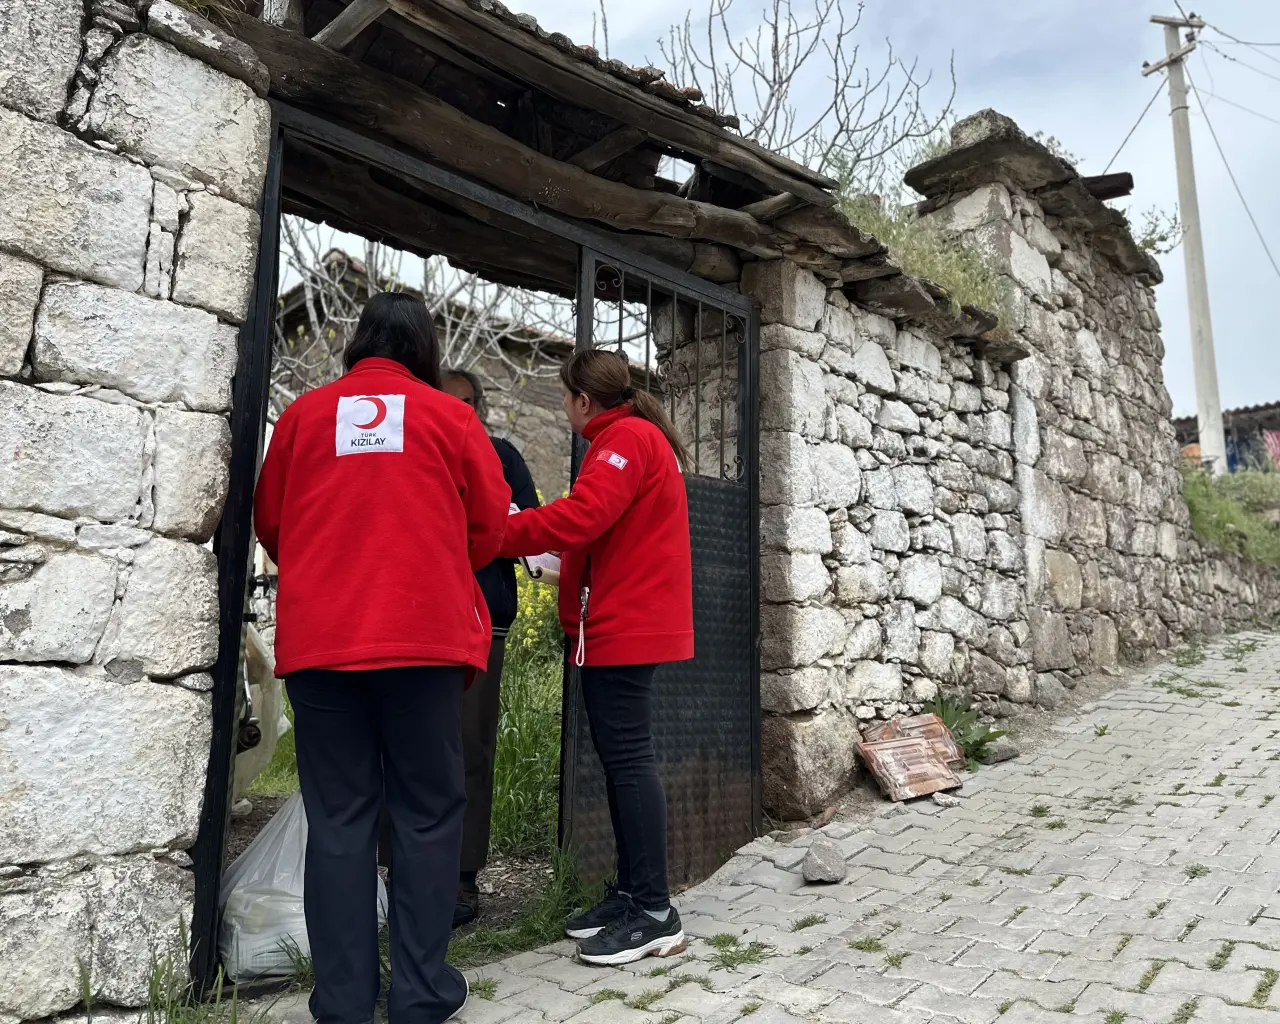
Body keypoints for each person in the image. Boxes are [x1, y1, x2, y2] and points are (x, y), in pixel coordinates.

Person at [253, 292, 510, 1024]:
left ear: (358, 342)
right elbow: (489, 525)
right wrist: (433, 558)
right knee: (427, 813)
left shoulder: (303, 418)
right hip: (423, 644)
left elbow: (271, 522)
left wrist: (329, 567)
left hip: (322, 645)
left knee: (339, 819)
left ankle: (342, 1002)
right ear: (425, 348)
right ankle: (421, 994)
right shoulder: (451, 418)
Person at [500, 348, 693, 967]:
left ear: (583, 400)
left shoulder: (625, 440)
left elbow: (583, 517)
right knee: (621, 763)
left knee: (629, 761)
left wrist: (502, 533)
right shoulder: (630, 437)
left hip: (624, 627)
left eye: (564, 396)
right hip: (619, 622)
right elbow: (604, 531)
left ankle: (655, 913)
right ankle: (634, 893)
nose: (563, 407)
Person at [440, 368, 540, 927]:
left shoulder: (503, 457)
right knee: (404, 750)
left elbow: (530, 530)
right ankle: (399, 870)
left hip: (485, 623)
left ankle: (462, 877)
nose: (459, 411)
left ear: (480, 407)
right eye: (447, 400)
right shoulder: (418, 447)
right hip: (420, 624)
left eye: (467, 402)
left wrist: (492, 523)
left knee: (470, 750)